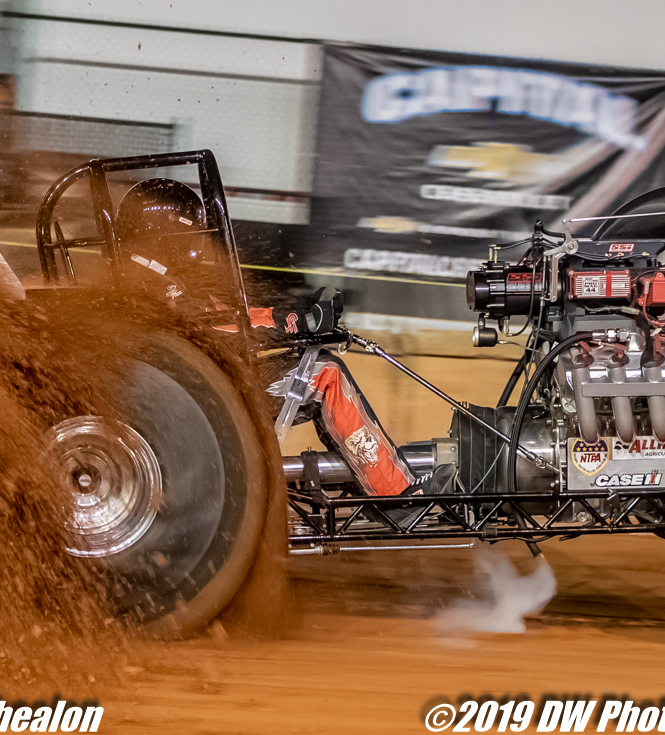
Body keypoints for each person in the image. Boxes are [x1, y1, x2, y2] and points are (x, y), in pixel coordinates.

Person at [115, 178, 449, 498]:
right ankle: (395, 495)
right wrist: (297, 321)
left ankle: (372, 483)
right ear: (163, 233)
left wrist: (297, 317)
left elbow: (230, 317)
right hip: (198, 395)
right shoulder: (154, 284)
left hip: (191, 389)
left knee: (315, 366)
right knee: (324, 374)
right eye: (191, 231)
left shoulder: (145, 275)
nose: (196, 243)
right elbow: (216, 331)